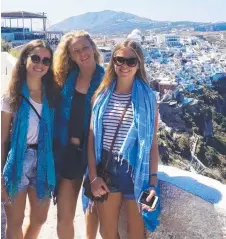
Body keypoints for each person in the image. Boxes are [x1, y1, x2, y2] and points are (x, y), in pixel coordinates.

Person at [86, 39, 160, 239]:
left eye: (131, 61)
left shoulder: (149, 98)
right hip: (107, 170)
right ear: (113, 62)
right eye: (119, 60)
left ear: (139, 64)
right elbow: (92, 139)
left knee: (136, 233)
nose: (124, 66)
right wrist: (93, 177)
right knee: (107, 233)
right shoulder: (101, 96)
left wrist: (153, 183)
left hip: (135, 173)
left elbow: (152, 143)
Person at [1, 39, 57, 239]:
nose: (40, 64)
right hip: (18, 161)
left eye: (46, 60)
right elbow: (3, 139)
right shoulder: (12, 96)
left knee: (40, 219)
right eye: (35, 58)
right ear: (25, 58)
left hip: (43, 160)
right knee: (14, 222)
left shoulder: (52, 94)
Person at [53, 30, 104, 239]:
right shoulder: (66, 79)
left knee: (93, 211)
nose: (82, 53)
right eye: (76, 51)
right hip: (69, 153)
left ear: (92, 47)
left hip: (97, 156)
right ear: (71, 56)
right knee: (64, 218)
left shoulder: (106, 80)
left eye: (85, 47)